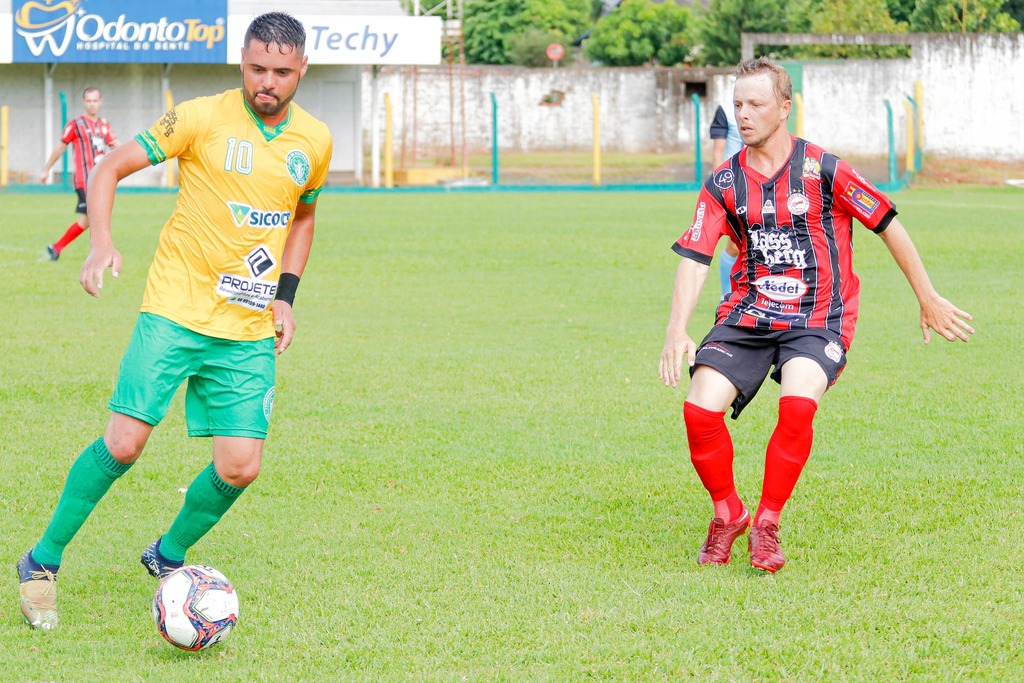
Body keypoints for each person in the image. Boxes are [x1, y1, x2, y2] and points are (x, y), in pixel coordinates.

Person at [17, 11, 333, 630]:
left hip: (245, 328)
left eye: (281, 72)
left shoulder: (314, 141)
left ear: (301, 71)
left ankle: (167, 555)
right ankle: (41, 562)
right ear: (241, 62)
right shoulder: (200, 116)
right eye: (255, 68)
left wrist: (286, 295)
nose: (266, 82)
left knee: (241, 465)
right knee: (124, 443)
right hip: (174, 310)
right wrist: (100, 241)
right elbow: (108, 164)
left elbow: (303, 216)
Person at [658, 57, 973, 574]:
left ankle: (766, 524)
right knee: (699, 409)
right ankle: (728, 515)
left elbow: (888, 223)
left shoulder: (824, 169)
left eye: (756, 104)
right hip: (748, 313)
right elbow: (695, 257)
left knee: (798, 403)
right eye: (738, 104)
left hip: (818, 317)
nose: (744, 114)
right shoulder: (723, 182)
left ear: (786, 108)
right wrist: (676, 329)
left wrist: (928, 296)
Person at [40, 87, 120, 261]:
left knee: (89, 219)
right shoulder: (75, 124)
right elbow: (61, 147)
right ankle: (96, 253)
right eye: (88, 101)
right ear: (84, 102)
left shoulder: (104, 126)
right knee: (93, 217)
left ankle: (57, 248)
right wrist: (47, 169)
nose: (92, 104)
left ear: (100, 101)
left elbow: (117, 146)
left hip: (101, 181)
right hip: (84, 180)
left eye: (95, 100)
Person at [709, 102, 742, 299]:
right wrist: (720, 189)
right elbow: (717, 154)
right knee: (734, 244)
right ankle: (726, 297)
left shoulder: (768, 104)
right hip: (735, 185)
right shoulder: (726, 110)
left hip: (763, 183)